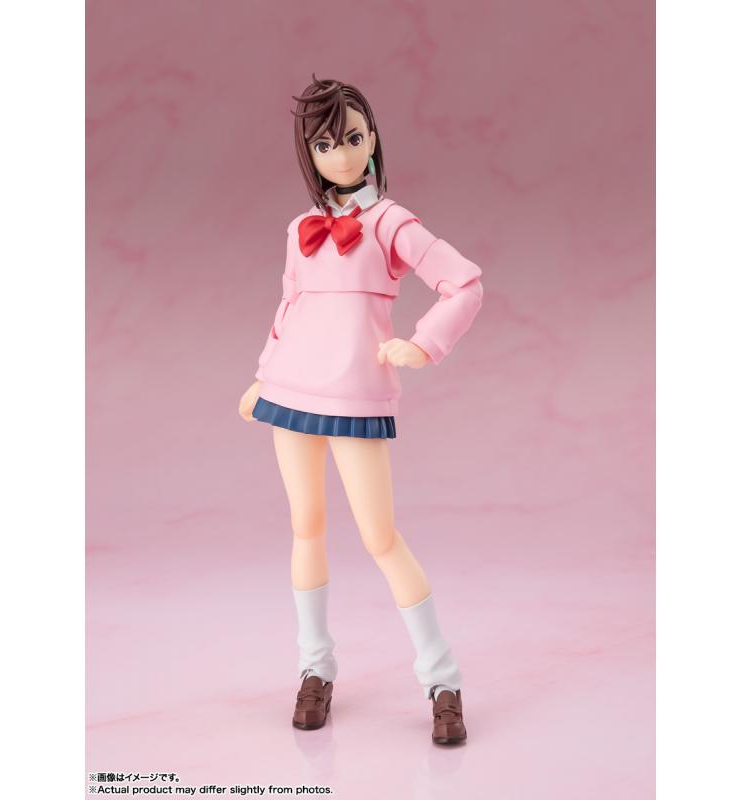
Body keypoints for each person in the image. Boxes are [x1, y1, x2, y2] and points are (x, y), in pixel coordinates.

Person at [238, 74, 483, 745]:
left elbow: (463, 282)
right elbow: (288, 306)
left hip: (355, 394)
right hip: (288, 391)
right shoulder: (300, 229)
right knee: (306, 527)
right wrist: (262, 375)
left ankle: (442, 678)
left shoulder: (390, 222)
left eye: (351, 137)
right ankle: (314, 668)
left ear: (372, 138)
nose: (341, 154)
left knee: (380, 536)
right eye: (325, 144)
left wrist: (423, 343)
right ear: (309, 155)